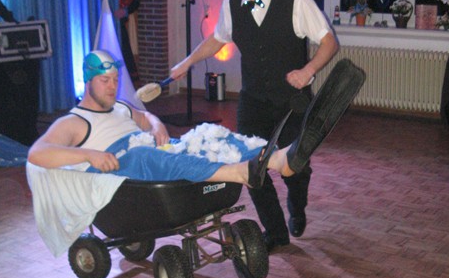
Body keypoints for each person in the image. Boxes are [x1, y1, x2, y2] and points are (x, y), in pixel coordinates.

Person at [170, 0, 339, 252]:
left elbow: (329, 42)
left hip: (292, 100)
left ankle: (297, 206)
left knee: (295, 167)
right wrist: (187, 62)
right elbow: (216, 40)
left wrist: (308, 71)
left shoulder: (296, 1)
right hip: (253, 100)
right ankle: (275, 232)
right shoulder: (231, 7)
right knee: (252, 167)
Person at [27, 50, 365, 187]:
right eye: (105, 81)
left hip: (151, 153)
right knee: (144, 154)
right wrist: (90, 155)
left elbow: (146, 117)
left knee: (209, 135)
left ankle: (279, 159)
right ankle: (239, 173)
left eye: (115, 80)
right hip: (121, 164)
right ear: (88, 81)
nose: (113, 86)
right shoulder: (75, 121)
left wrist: (157, 125)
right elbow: (37, 153)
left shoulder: (121, 107)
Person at [114, 0, 141, 87]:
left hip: (123, 22)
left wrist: (124, 11)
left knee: (125, 48)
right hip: (112, 22)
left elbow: (136, 2)